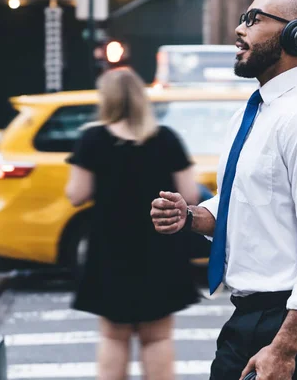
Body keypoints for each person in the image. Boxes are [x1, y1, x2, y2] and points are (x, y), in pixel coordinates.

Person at [151, 0, 297, 380]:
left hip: (289, 318)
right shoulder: (256, 112)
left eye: (254, 19)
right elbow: (252, 203)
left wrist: (285, 347)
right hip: (254, 313)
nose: (238, 29)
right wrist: (194, 216)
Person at [65, 67, 200, 380]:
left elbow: (76, 194)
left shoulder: (93, 138)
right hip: (159, 247)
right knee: (158, 337)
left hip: (110, 248)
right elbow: (190, 194)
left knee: (114, 336)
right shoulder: (166, 139)